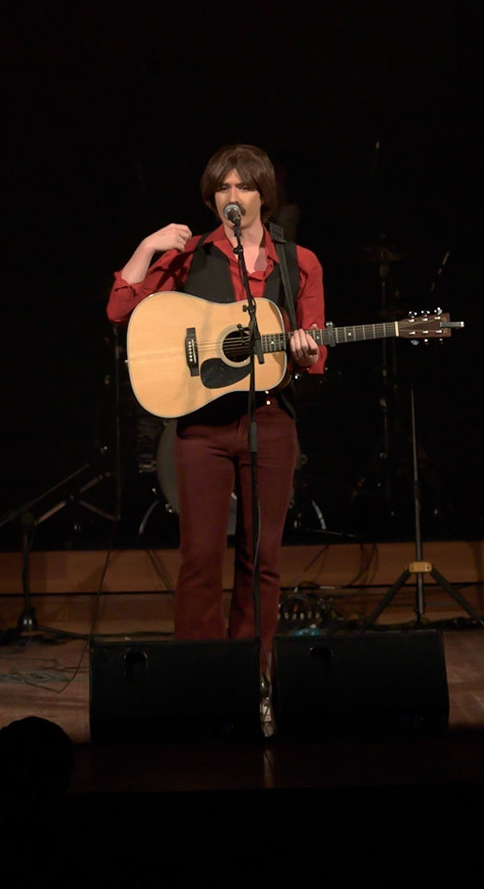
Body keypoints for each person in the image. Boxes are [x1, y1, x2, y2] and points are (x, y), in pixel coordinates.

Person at [106, 144, 325, 665]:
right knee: (201, 557)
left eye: (244, 186)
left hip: (269, 422)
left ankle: (255, 671)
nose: (233, 195)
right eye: (223, 187)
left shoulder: (298, 261)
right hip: (201, 429)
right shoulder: (190, 255)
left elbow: (313, 348)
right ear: (212, 198)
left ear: (263, 196)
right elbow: (121, 310)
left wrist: (306, 347)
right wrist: (147, 246)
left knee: (262, 558)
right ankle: (201, 674)